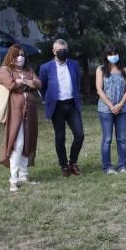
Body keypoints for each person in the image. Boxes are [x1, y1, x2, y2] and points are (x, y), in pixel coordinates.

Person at [38, 39, 85, 177]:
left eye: (64, 50)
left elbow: (77, 82)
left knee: (79, 135)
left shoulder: (74, 65)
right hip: (56, 107)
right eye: (59, 50)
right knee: (60, 137)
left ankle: (73, 162)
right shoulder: (46, 67)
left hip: (72, 105)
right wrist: (46, 99)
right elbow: (42, 86)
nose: (62, 52)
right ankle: (64, 165)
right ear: (53, 51)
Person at [0, 46, 40, 192]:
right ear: (11, 56)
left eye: (22, 55)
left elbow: (38, 83)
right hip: (15, 113)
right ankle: (13, 180)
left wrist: (23, 81)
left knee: (28, 141)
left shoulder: (28, 69)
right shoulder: (4, 70)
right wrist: (26, 83)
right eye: (16, 55)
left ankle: (24, 175)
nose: (20, 58)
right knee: (18, 143)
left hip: (30, 112)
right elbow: (10, 84)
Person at [96, 45, 126, 174]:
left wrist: (120, 104)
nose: (113, 56)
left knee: (121, 139)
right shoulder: (101, 70)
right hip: (105, 110)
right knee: (107, 139)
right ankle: (107, 167)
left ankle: (122, 166)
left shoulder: (124, 70)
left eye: (115, 53)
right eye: (110, 53)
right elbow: (99, 90)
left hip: (122, 110)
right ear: (106, 55)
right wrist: (111, 105)